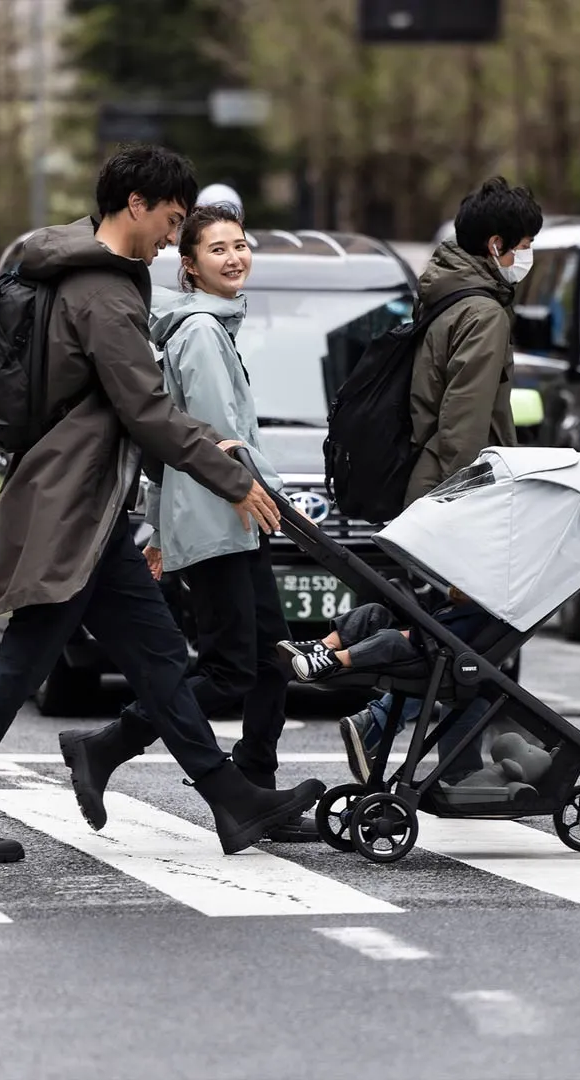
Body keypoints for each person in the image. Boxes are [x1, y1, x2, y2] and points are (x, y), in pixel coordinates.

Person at [0, 145, 324, 863]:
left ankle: (229, 800)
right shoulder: (101, 292)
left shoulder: (106, 280)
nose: (172, 234)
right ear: (136, 204)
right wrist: (228, 478)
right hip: (73, 508)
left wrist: (191, 462)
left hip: (92, 508)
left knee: (159, 657)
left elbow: (135, 414)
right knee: (24, 663)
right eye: (171, 218)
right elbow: (145, 409)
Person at [115, 201, 317, 841]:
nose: (235, 257)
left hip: (229, 515)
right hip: (226, 514)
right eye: (218, 249)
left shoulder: (208, 327)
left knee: (271, 658)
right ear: (191, 267)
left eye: (241, 245)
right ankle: (109, 742)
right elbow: (213, 439)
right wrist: (253, 493)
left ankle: (257, 785)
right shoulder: (201, 332)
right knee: (236, 666)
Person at [337, 176, 543, 783]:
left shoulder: (447, 293)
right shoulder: (482, 312)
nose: (527, 258)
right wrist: (465, 516)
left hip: (435, 489)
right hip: (465, 496)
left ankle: (460, 761)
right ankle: (384, 720)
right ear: (498, 244)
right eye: (525, 245)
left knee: (475, 638)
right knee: (485, 632)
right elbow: (464, 428)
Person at [279, 592, 494, 784]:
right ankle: (323, 646)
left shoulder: (477, 615)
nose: (453, 588)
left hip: (430, 660)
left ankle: (330, 660)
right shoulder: (450, 604)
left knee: (389, 639)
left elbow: (437, 636)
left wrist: (409, 633)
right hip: (425, 653)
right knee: (374, 612)